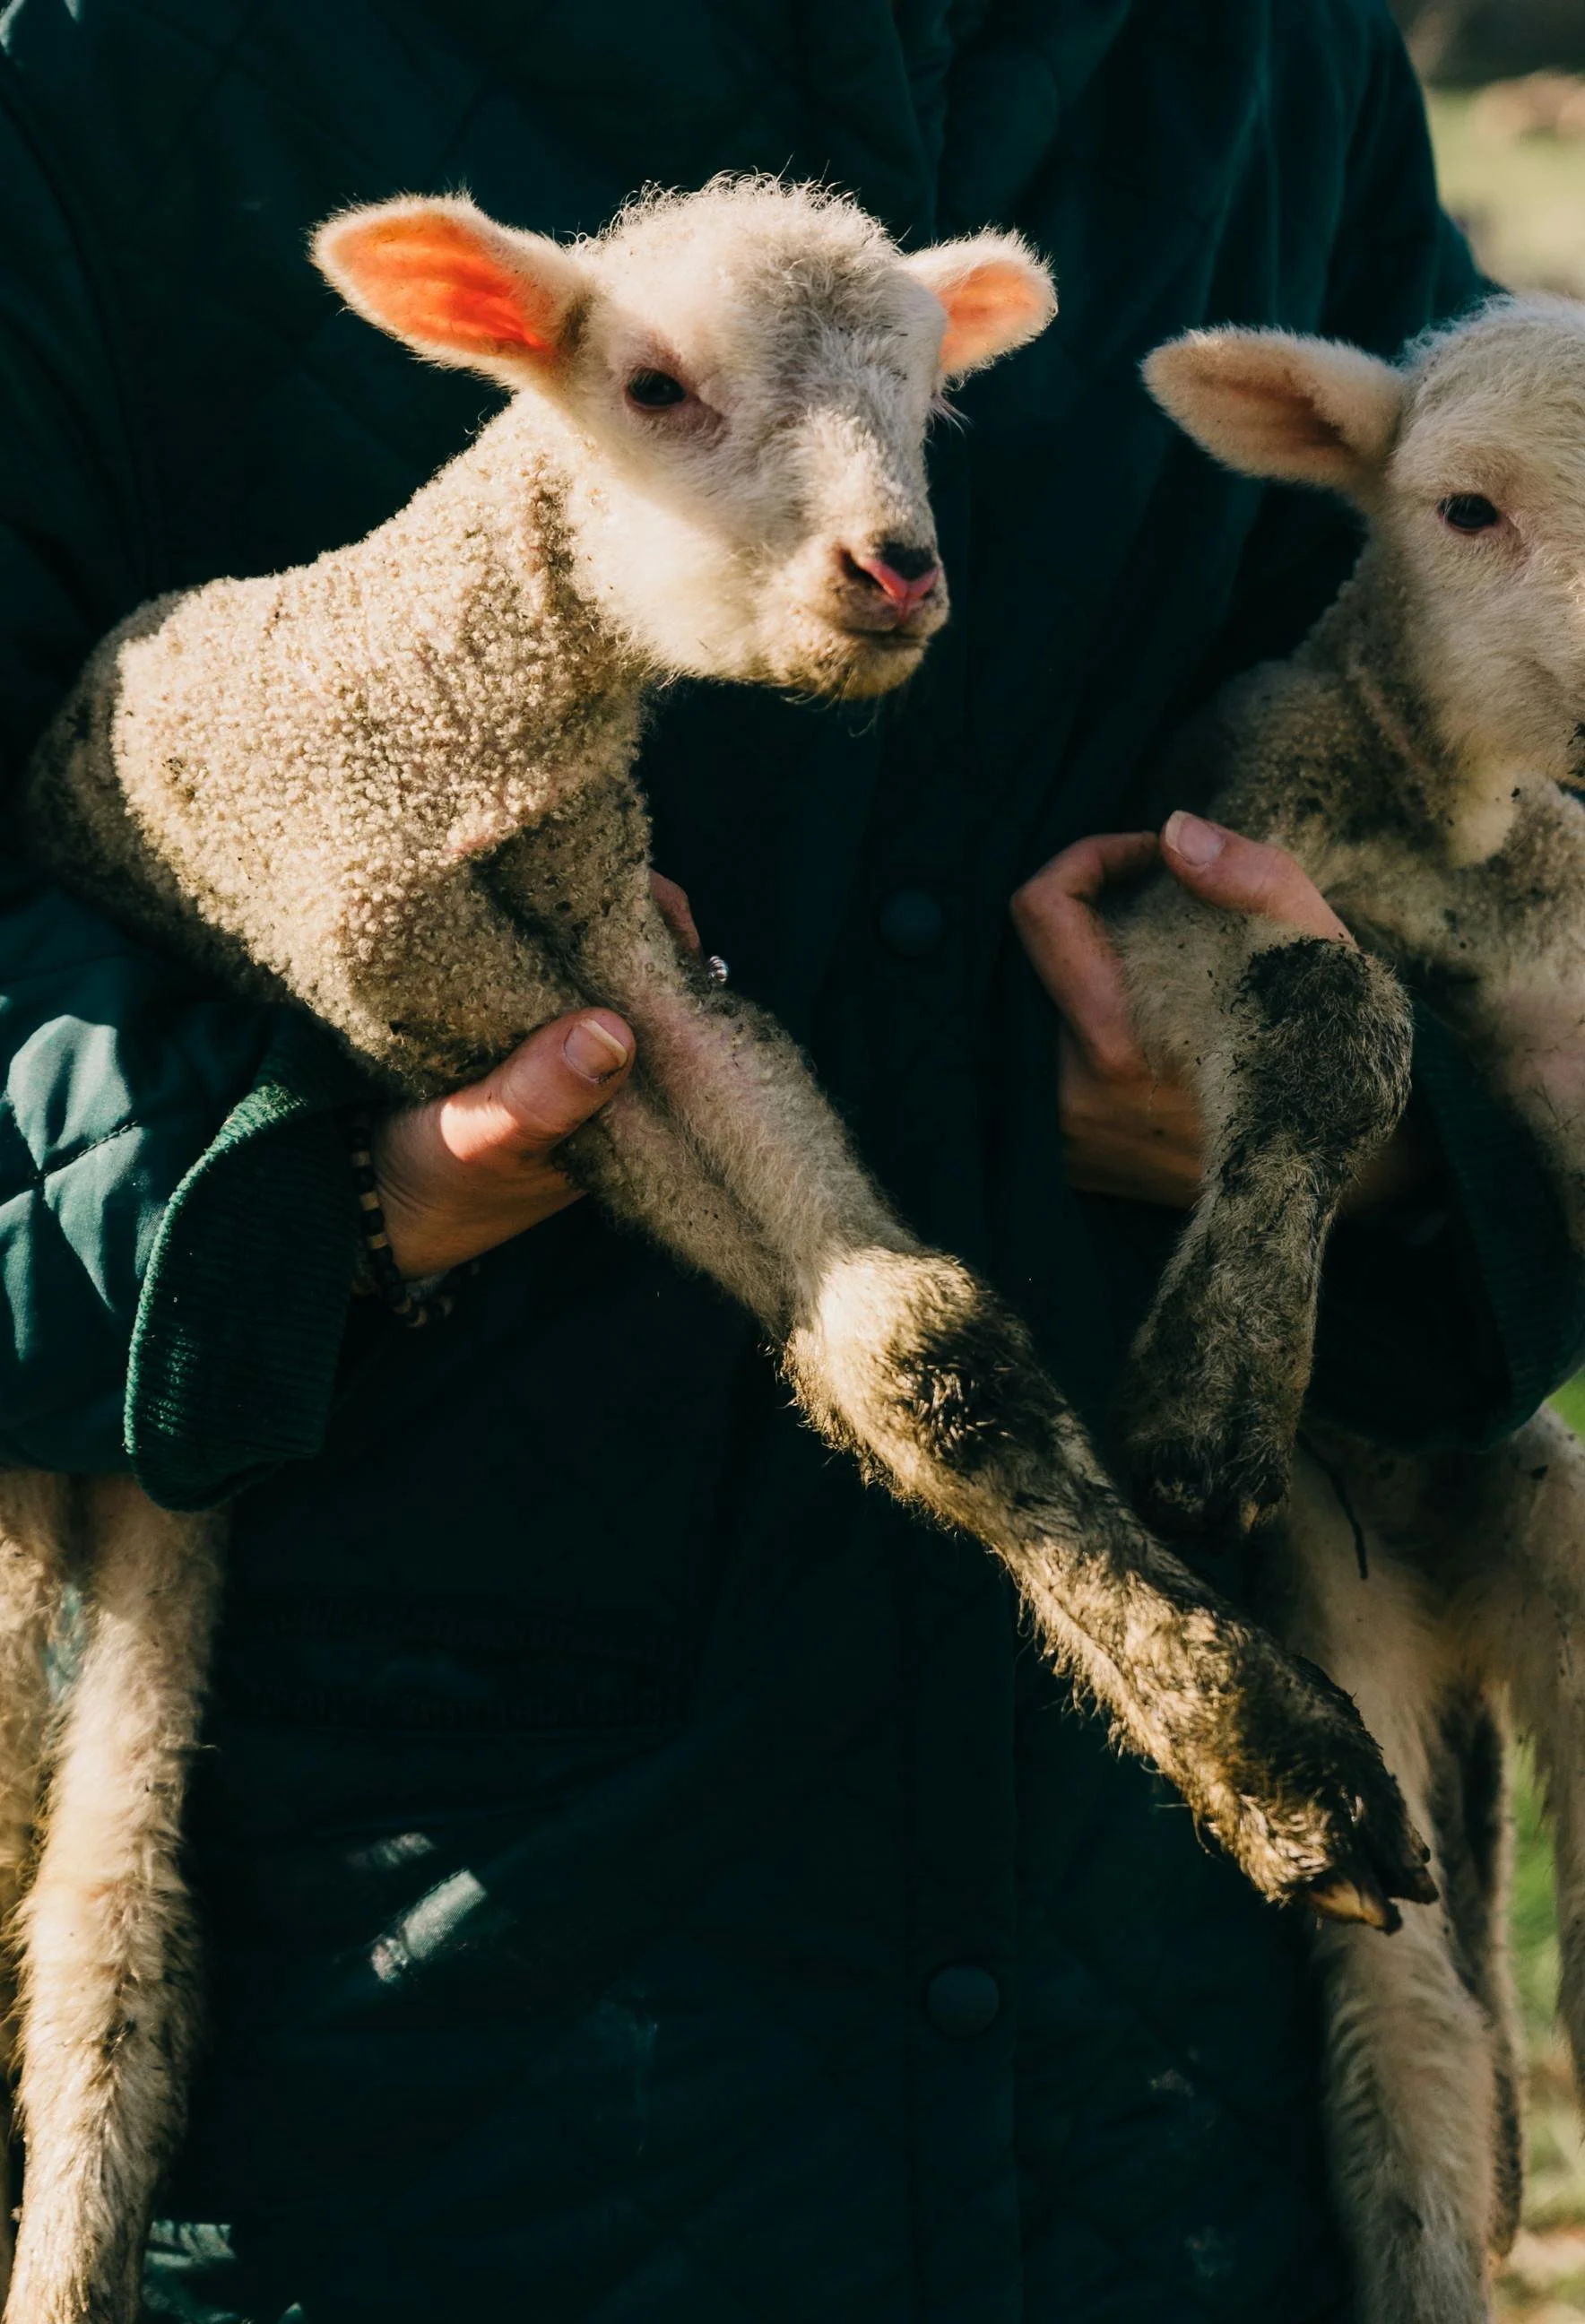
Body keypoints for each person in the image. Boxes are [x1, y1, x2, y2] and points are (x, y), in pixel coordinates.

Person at [0, 4, 1575, 2318]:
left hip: (1168, 2005)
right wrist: (304, 1203)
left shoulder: (1239, 55)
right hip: (437, 1952)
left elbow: (1453, 747)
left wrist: (1388, 1147)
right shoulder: (136, 74)